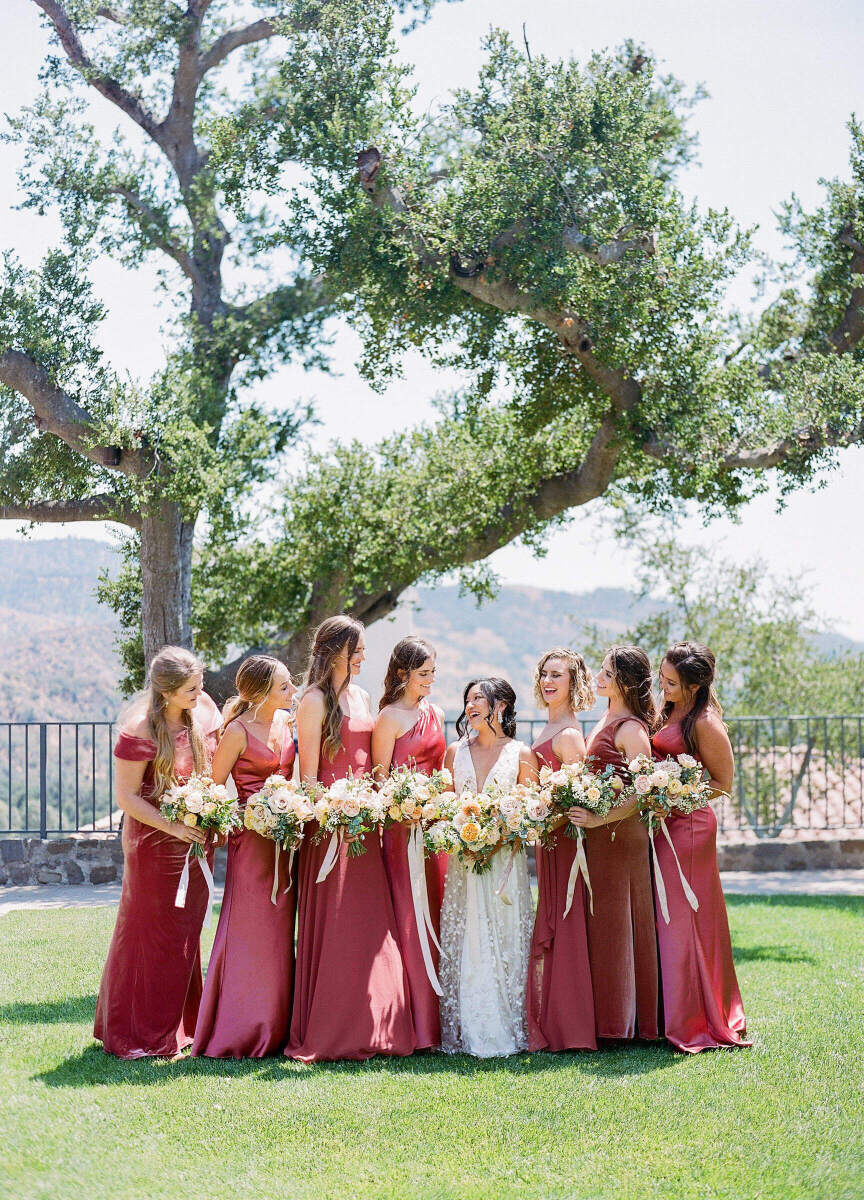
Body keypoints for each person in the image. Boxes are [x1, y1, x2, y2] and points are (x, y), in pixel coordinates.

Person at [286, 616, 415, 1061]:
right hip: (329, 830)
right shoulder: (314, 701)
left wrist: (376, 803)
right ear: (335, 650)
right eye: (356, 649)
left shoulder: (361, 696)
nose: (363, 657)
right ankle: (333, 1030)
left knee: (371, 926)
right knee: (337, 927)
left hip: (366, 825)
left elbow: (372, 762)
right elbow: (308, 777)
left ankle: (379, 1026)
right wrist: (332, 812)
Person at [94, 646, 221, 1058]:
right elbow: (128, 798)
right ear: (165, 692)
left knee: (186, 933)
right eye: (189, 689)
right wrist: (173, 826)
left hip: (196, 841)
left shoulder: (202, 709)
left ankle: (181, 1025)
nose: (198, 695)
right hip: (154, 843)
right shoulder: (140, 731)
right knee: (149, 935)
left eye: (199, 686)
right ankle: (136, 1032)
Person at [192, 655, 298, 1058]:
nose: (291, 692)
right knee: (250, 933)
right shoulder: (235, 731)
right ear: (258, 694)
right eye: (284, 687)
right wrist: (249, 813)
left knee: (277, 936)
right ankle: (240, 1027)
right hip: (250, 845)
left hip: (284, 842)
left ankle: (277, 1024)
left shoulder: (286, 724)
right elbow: (214, 791)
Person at [653, 642, 750, 1052]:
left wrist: (674, 793)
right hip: (661, 825)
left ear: (695, 685)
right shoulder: (669, 708)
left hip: (690, 830)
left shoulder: (707, 723)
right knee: (665, 919)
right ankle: (666, 1012)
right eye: (662, 676)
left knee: (685, 921)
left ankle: (697, 1017)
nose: (663, 684)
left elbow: (722, 783)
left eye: (671, 681)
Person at [439, 677, 538, 1057]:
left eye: (478, 698)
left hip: (503, 864)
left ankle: (507, 1024)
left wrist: (493, 840)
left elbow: (528, 815)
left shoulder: (521, 753)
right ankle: (467, 1025)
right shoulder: (453, 752)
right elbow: (446, 809)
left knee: (505, 935)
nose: (470, 705)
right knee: (466, 935)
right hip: (464, 862)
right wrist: (466, 838)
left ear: (501, 706)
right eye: (467, 699)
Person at [569, 646, 660, 1041]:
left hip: (622, 837)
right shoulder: (606, 718)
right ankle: (606, 1015)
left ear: (624, 681)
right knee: (604, 924)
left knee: (623, 924)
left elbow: (643, 793)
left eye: (606, 673)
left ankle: (627, 1022)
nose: (598, 678)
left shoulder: (632, 730)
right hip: (600, 838)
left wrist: (598, 818)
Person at [372, 637, 448, 1050]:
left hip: (434, 829)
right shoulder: (388, 717)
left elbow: (441, 770)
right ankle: (413, 1022)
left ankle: (440, 1017)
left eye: (433, 672)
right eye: (423, 674)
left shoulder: (435, 712)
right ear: (402, 674)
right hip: (401, 832)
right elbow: (380, 777)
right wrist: (404, 807)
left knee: (436, 910)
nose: (430, 681)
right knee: (407, 914)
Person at [527, 648, 597, 1052]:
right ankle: (553, 1018)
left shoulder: (569, 734)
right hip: (548, 842)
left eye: (558, 675)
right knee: (554, 917)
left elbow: (579, 802)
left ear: (574, 682)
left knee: (566, 922)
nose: (549, 681)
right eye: (544, 674)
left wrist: (541, 823)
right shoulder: (550, 727)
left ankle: (571, 1027)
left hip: (565, 843)